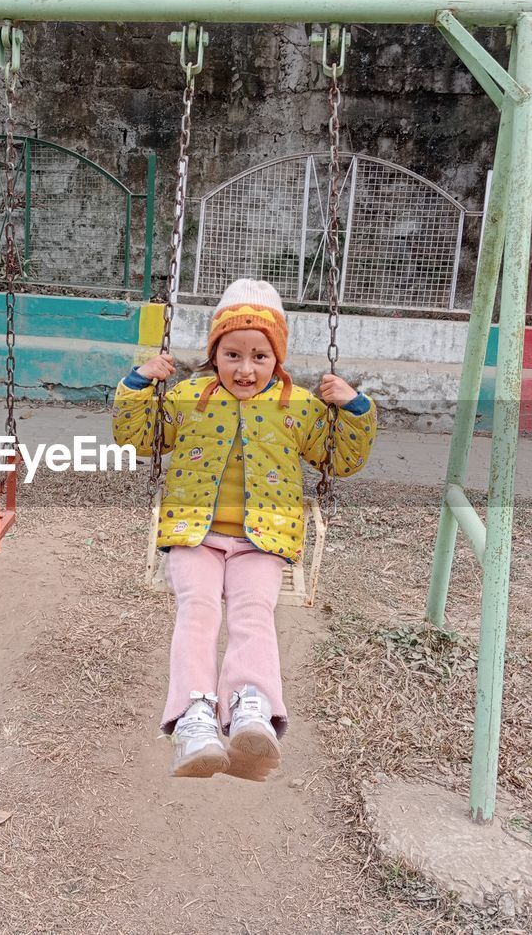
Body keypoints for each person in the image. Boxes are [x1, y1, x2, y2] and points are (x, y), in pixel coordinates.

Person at [113, 278, 376, 780]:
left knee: (254, 612)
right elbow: (142, 438)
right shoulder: (190, 395)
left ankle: (250, 705)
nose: (246, 368)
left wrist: (354, 409)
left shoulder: (299, 404)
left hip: (263, 539)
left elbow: (338, 459)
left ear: (276, 358)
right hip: (195, 534)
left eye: (260, 356)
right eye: (232, 354)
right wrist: (138, 384)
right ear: (215, 354)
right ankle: (194, 716)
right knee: (198, 610)